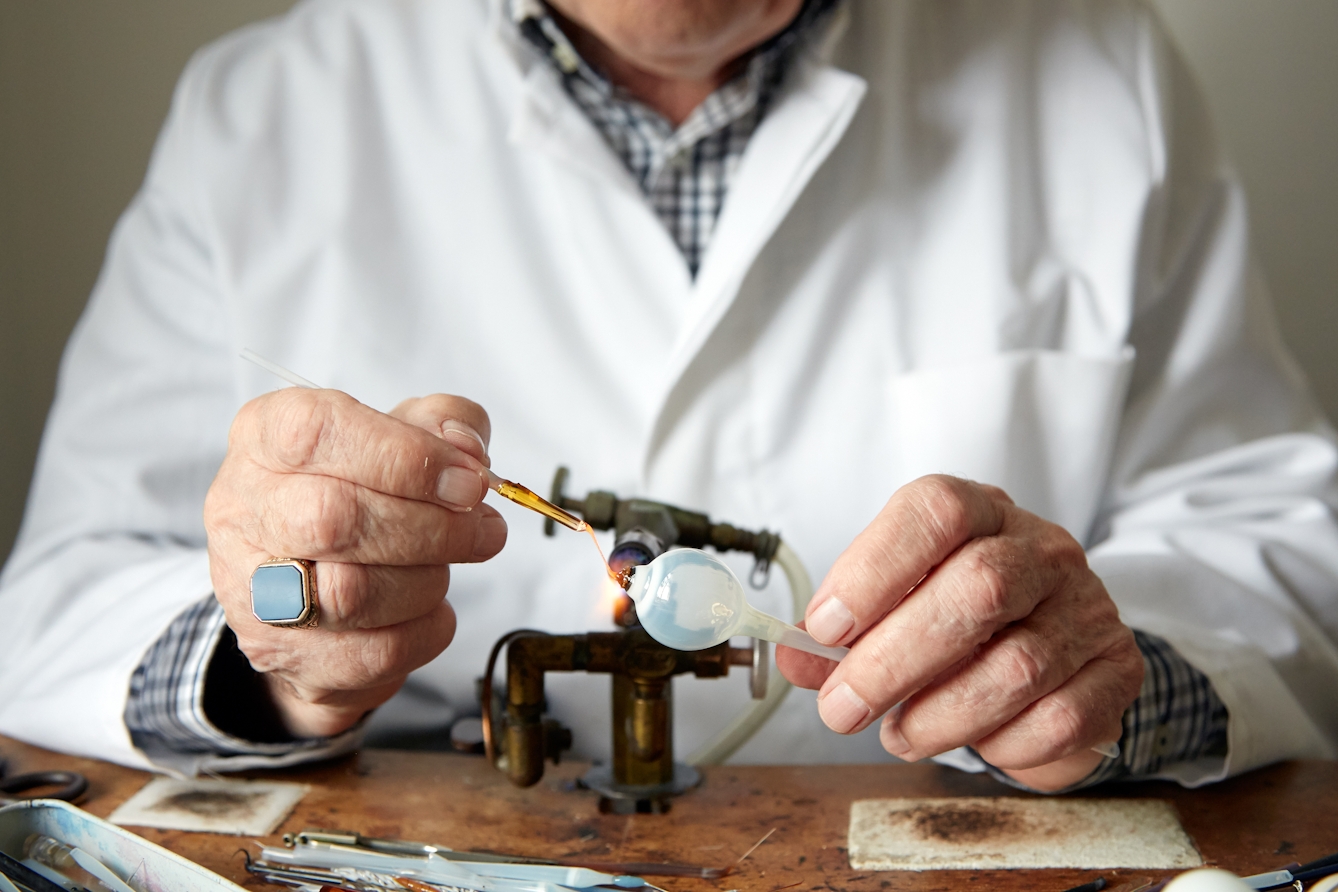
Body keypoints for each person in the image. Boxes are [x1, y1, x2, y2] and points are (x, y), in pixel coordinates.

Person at [2, 0, 1335, 794]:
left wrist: (1112, 676)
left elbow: (1269, 540)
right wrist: (273, 647)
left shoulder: (1098, 69)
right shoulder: (266, 108)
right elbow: (55, 601)